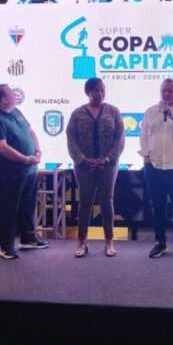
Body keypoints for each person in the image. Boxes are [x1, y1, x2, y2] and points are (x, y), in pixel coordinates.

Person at [0, 84, 48, 259]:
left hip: (29, 171)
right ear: (3, 99)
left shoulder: (16, 111)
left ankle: (28, 239)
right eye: (12, 93)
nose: (15, 95)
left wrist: (37, 151)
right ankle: (6, 247)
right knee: (8, 210)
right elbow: (1, 147)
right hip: (8, 174)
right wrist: (25, 159)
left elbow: (30, 131)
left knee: (27, 206)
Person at [66, 78, 124, 258]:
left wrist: (107, 159)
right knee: (85, 202)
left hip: (108, 165)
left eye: (101, 90)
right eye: (95, 91)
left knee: (107, 202)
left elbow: (120, 139)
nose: (99, 94)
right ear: (87, 92)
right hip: (84, 166)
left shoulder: (113, 111)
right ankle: (82, 242)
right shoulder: (77, 113)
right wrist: (82, 159)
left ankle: (109, 241)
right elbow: (71, 138)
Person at [139, 78, 173, 258]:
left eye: (170, 90)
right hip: (154, 166)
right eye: (164, 90)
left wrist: (172, 115)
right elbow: (144, 135)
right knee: (158, 206)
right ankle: (160, 243)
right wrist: (146, 157)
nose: (166, 94)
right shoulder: (150, 111)